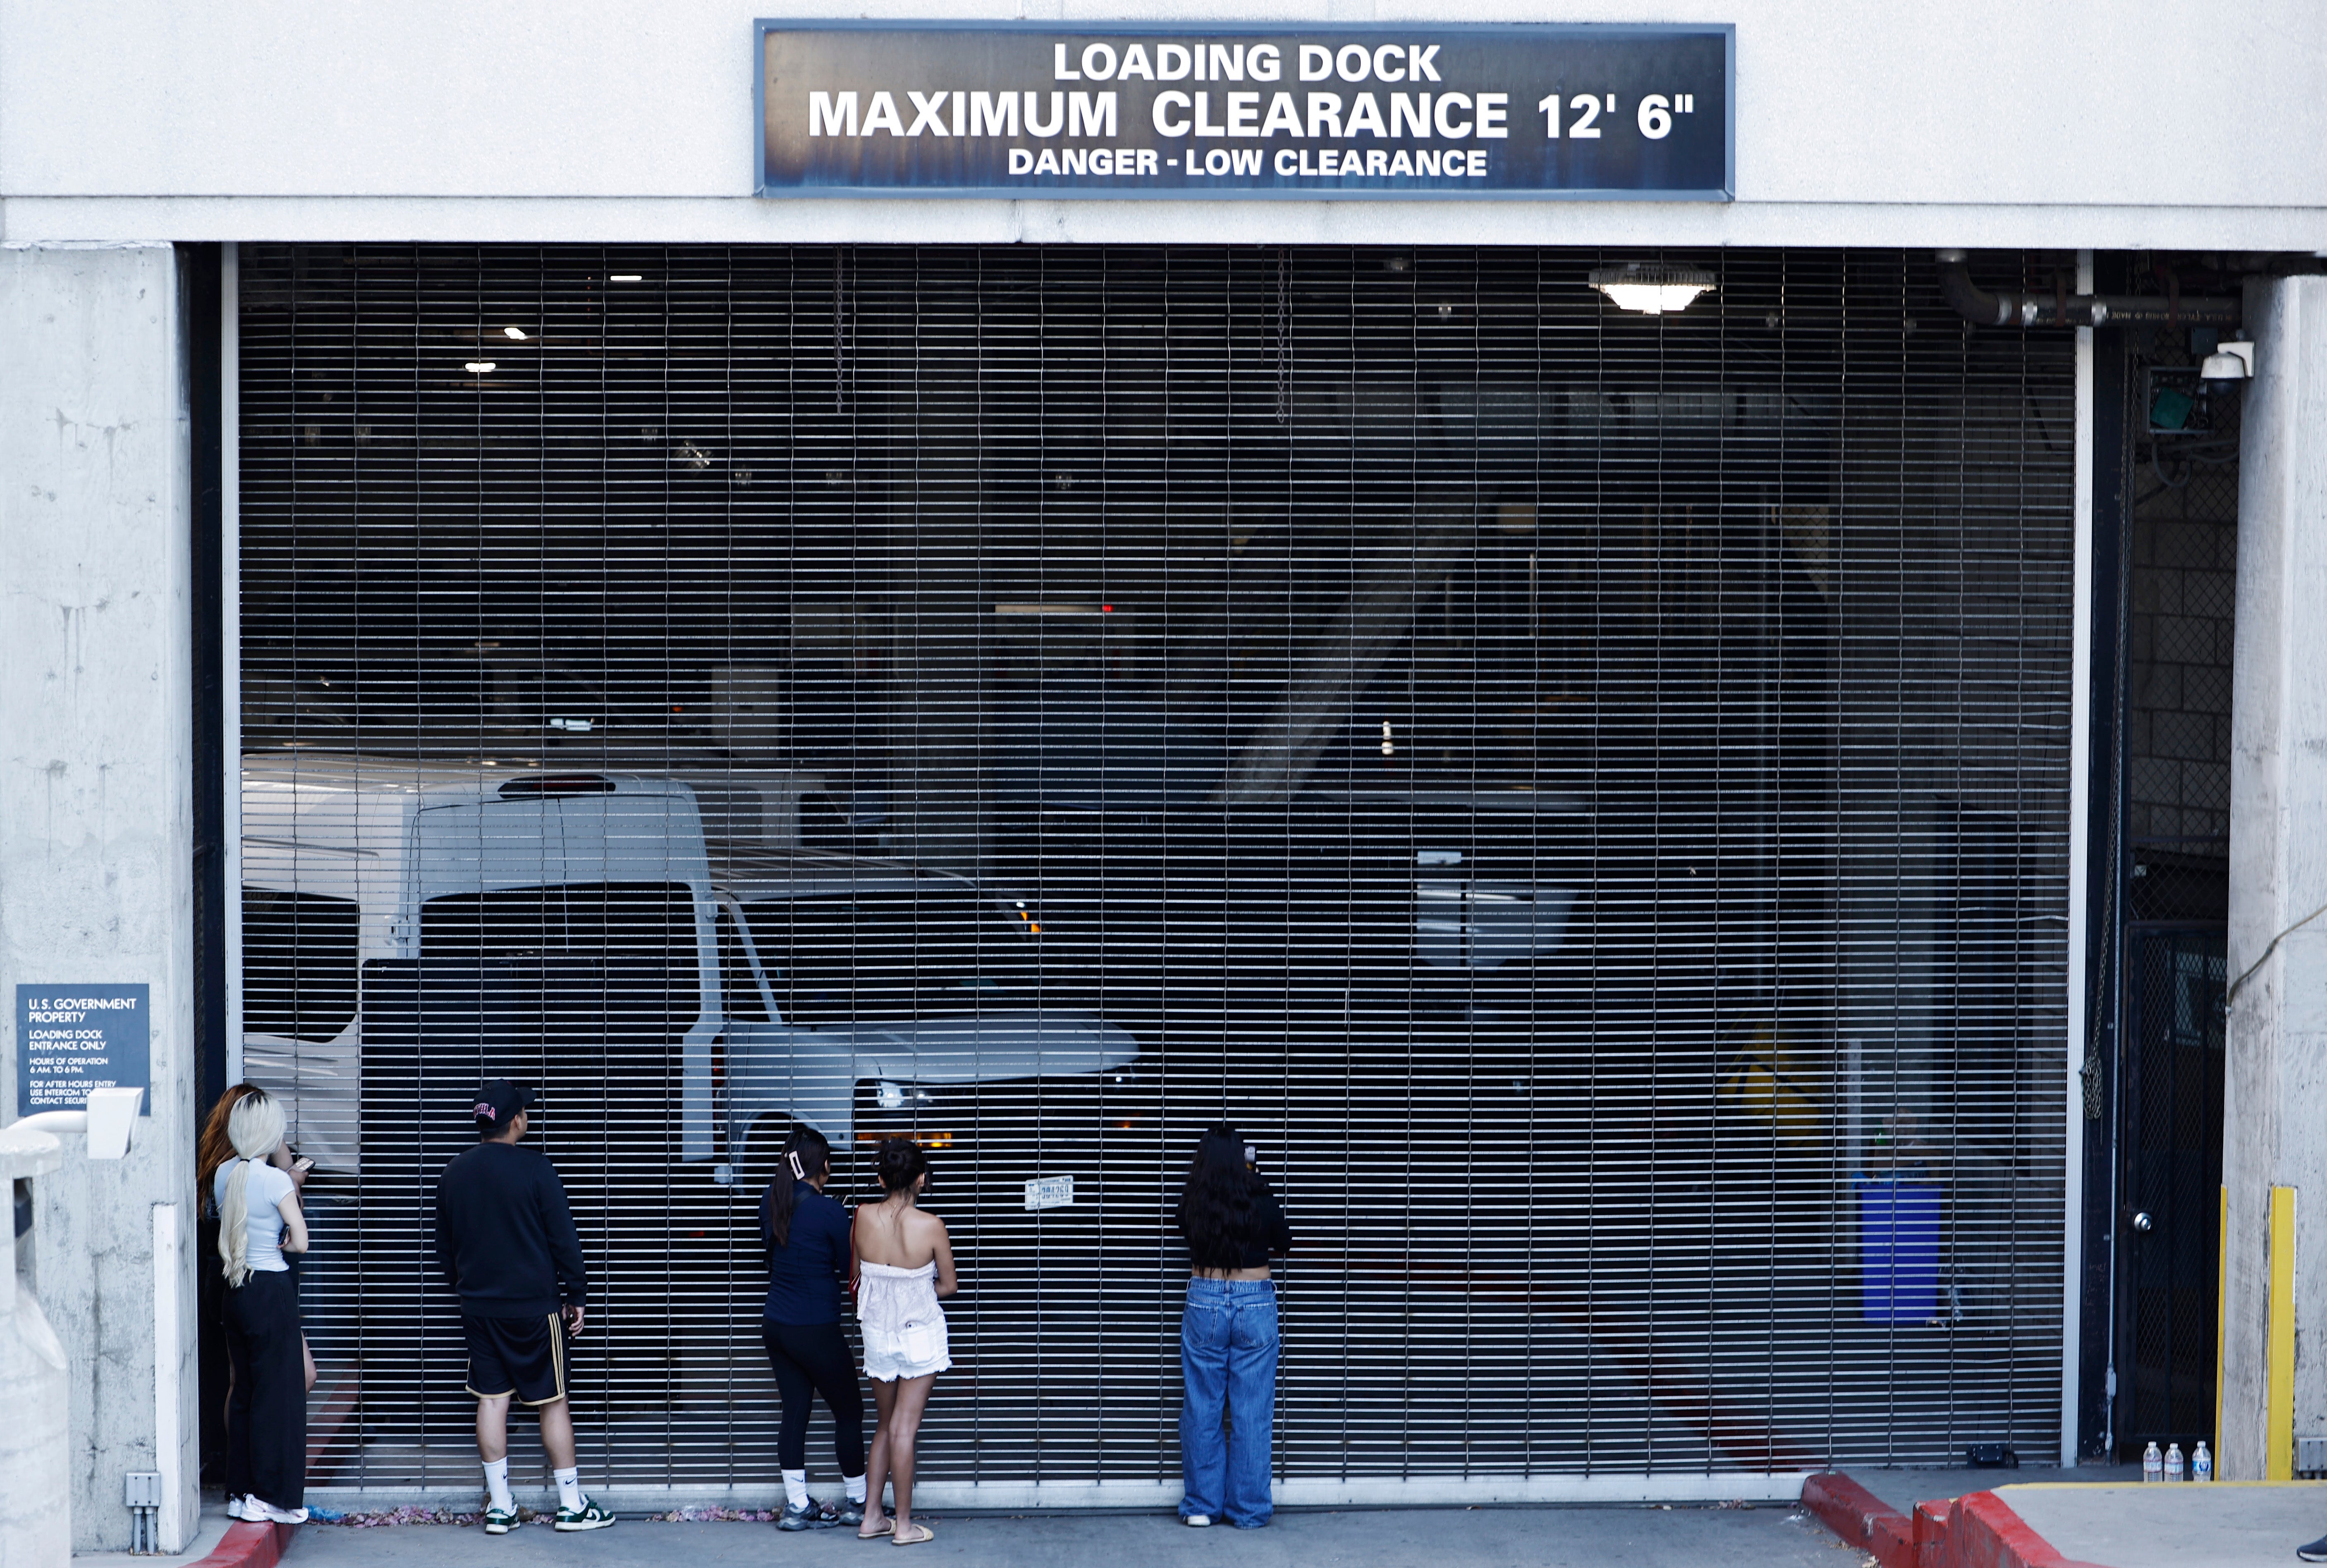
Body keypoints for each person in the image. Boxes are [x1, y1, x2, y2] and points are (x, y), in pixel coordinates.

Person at [433, 1081, 614, 1535]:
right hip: (535, 1308)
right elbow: (564, 1238)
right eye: (525, 1113)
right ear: (516, 1121)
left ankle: (500, 1507)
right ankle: (571, 1506)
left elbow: (444, 1249)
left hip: (479, 1308)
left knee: (492, 1400)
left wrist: (467, 1289)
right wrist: (577, 1294)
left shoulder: (454, 1172)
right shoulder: (536, 1168)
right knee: (552, 1401)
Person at [1173, 1127, 1293, 1530]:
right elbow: (1284, 1241)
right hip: (1254, 1298)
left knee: (1202, 1406)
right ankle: (1247, 1510)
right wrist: (1255, 1180)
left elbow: (1182, 1228)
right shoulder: (1258, 1195)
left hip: (1204, 1298)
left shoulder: (1195, 1199)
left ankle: (1201, 1507)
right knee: (1251, 1411)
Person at [758, 1127, 868, 1531]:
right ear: (824, 1165)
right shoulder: (829, 1211)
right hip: (815, 1327)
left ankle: (797, 1506)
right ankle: (858, 1503)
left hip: (776, 1324)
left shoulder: (770, 1199)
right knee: (849, 1412)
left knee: (795, 1411)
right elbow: (848, 1266)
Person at [851, 1137, 957, 1547]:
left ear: (881, 1179)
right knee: (904, 1429)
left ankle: (871, 1518)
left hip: (877, 1331)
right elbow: (949, 1286)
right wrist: (916, 1288)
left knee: (884, 1425)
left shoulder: (862, 1216)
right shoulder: (931, 1225)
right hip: (919, 1333)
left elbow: (857, 1277)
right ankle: (905, 1526)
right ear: (921, 1179)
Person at [214, 1088, 311, 1525]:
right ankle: (269, 1498)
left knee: (245, 1395)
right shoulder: (276, 1181)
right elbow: (301, 1242)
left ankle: (241, 1493)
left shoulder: (224, 1174)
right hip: (271, 1291)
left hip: (236, 1290)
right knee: (278, 1398)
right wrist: (284, 1239)